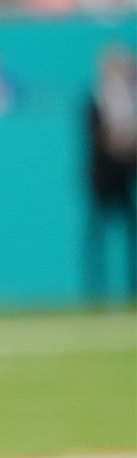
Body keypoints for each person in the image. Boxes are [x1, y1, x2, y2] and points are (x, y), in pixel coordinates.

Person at [84, 45, 136, 301]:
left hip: (126, 174)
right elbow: (95, 136)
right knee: (98, 232)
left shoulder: (131, 100)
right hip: (103, 176)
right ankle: (97, 291)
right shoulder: (96, 98)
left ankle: (131, 288)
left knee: (130, 230)